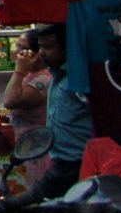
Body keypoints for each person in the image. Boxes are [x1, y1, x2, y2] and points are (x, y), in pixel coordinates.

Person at [33, 23, 91, 200]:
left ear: (67, 48)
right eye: (40, 47)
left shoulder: (78, 79)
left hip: (79, 164)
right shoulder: (56, 77)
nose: (42, 52)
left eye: (49, 47)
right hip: (61, 162)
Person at [3, 29, 52, 133]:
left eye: (23, 48)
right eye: (17, 46)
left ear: (39, 53)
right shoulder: (30, 74)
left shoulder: (44, 79)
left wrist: (20, 70)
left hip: (36, 142)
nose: (17, 51)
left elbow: (10, 101)